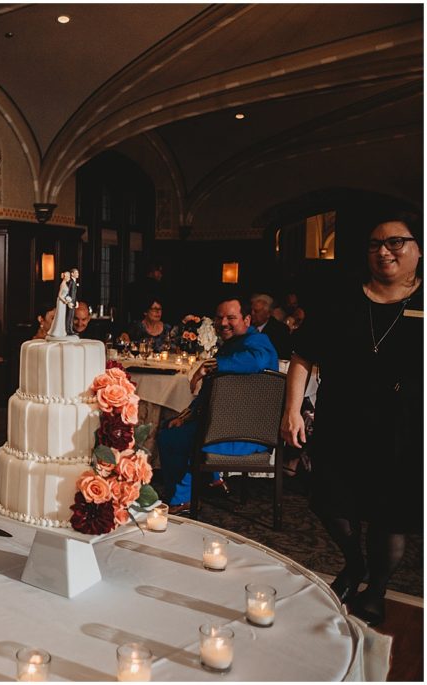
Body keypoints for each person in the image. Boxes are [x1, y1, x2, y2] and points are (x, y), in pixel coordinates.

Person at [281, 213, 422, 626]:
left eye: (395, 242)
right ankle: (355, 563)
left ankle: (376, 589)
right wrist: (292, 410)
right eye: (375, 244)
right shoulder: (340, 297)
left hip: (405, 427)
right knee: (329, 499)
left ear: (418, 249)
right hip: (341, 418)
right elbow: (303, 356)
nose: (384, 251)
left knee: (388, 514)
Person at [156, 296, 278, 515]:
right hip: (230, 429)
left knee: (171, 436)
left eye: (231, 317)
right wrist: (187, 415)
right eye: (219, 318)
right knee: (174, 425)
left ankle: (182, 499)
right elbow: (214, 395)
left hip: (242, 435)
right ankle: (212, 481)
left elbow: (258, 361)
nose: (223, 323)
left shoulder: (257, 341)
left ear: (247, 320)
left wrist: (212, 365)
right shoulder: (234, 345)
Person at [250, 292, 292, 360]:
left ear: (268, 313)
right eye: (251, 310)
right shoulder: (247, 326)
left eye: (256, 311)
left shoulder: (280, 330)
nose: (252, 314)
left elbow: (283, 357)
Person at [48, 271, 74, 338]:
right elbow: (59, 295)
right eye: (68, 276)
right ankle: (57, 331)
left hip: (63, 302)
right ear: (65, 277)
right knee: (60, 316)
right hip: (61, 302)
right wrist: (64, 300)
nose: (69, 278)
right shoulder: (62, 284)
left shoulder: (65, 284)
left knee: (62, 316)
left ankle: (61, 332)